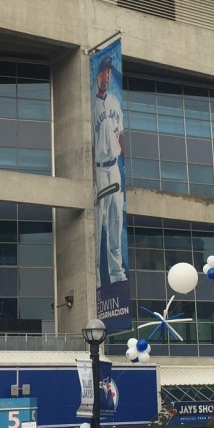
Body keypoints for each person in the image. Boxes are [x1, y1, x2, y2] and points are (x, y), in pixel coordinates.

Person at [92, 56, 127, 285]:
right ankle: (94, 276)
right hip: (98, 170)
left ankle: (116, 274)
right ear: (96, 76)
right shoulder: (90, 107)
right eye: (103, 72)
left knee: (116, 221)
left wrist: (119, 152)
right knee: (97, 224)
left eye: (108, 73)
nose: (106, 76)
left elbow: (121, 132)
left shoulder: (114, 101)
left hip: (113, 167)